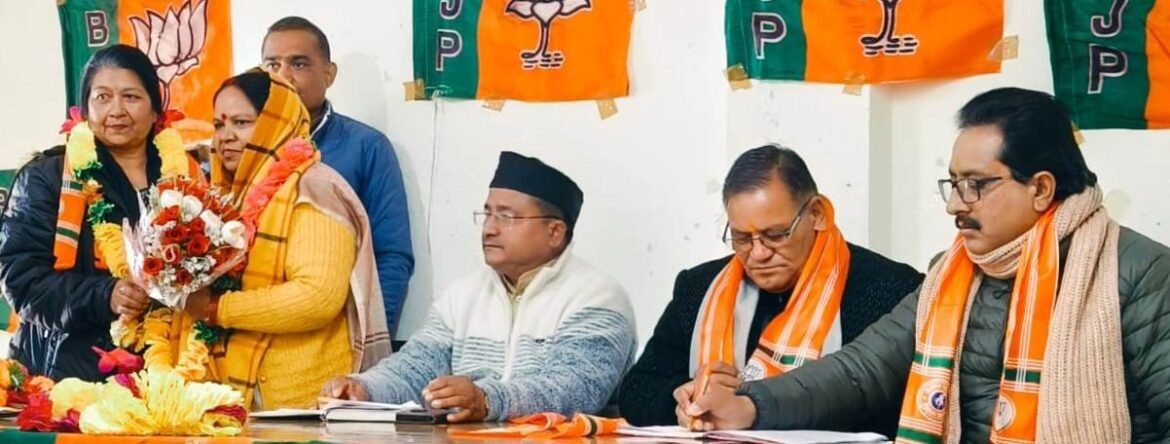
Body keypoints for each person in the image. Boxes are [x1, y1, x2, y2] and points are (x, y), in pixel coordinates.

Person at [682, 88, 1170, 443]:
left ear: (1040, 188)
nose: (955, 205)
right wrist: (749, 405)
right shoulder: (950, 274)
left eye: (975, 185)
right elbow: (863, 369)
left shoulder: (1137, 272)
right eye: (953, 183)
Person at [618, 145, 923, 432]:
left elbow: (900, 406)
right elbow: (636, 390)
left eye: (775, 235)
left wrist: (751, 406)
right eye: (741, 238)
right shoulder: (699, 287)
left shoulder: (888, 288)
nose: (759, 253)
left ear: (817, 214)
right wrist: (686, 399)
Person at [321, 152, 638, 423]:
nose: (489, 229)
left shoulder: (597, 298)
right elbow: (416, 367)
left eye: (507, 217)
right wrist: (365, 389)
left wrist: (487, 400)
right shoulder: (463, 295)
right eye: (487, 214)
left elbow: (575, 388)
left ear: (555, 232)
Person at [178, 70, 390, 410]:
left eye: (242, 123)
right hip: (243, 403)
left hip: (304, 404)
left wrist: (216, 308)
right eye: (219, 125)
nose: (225, 137)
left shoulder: (313, 189)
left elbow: (317, 296)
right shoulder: (227, 201)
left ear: (275, 124)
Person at [0, 45, 199, 381]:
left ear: (155, 109)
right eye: (103, 97)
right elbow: (22, 282)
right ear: (85, 109)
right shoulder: (47, 177)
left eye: (131, 97)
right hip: (65, 375)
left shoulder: (187, 176)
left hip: (167, 367)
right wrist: (106, 295)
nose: (116, 110)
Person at [262, 16, 414, 334]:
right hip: (256, 327)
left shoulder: (366, 147)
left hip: (335, 336)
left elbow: (391, 256)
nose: (284, 77)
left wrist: (371, 342)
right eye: (272, 65)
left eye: (299, 64)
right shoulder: (246, 147)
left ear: (329, 74)